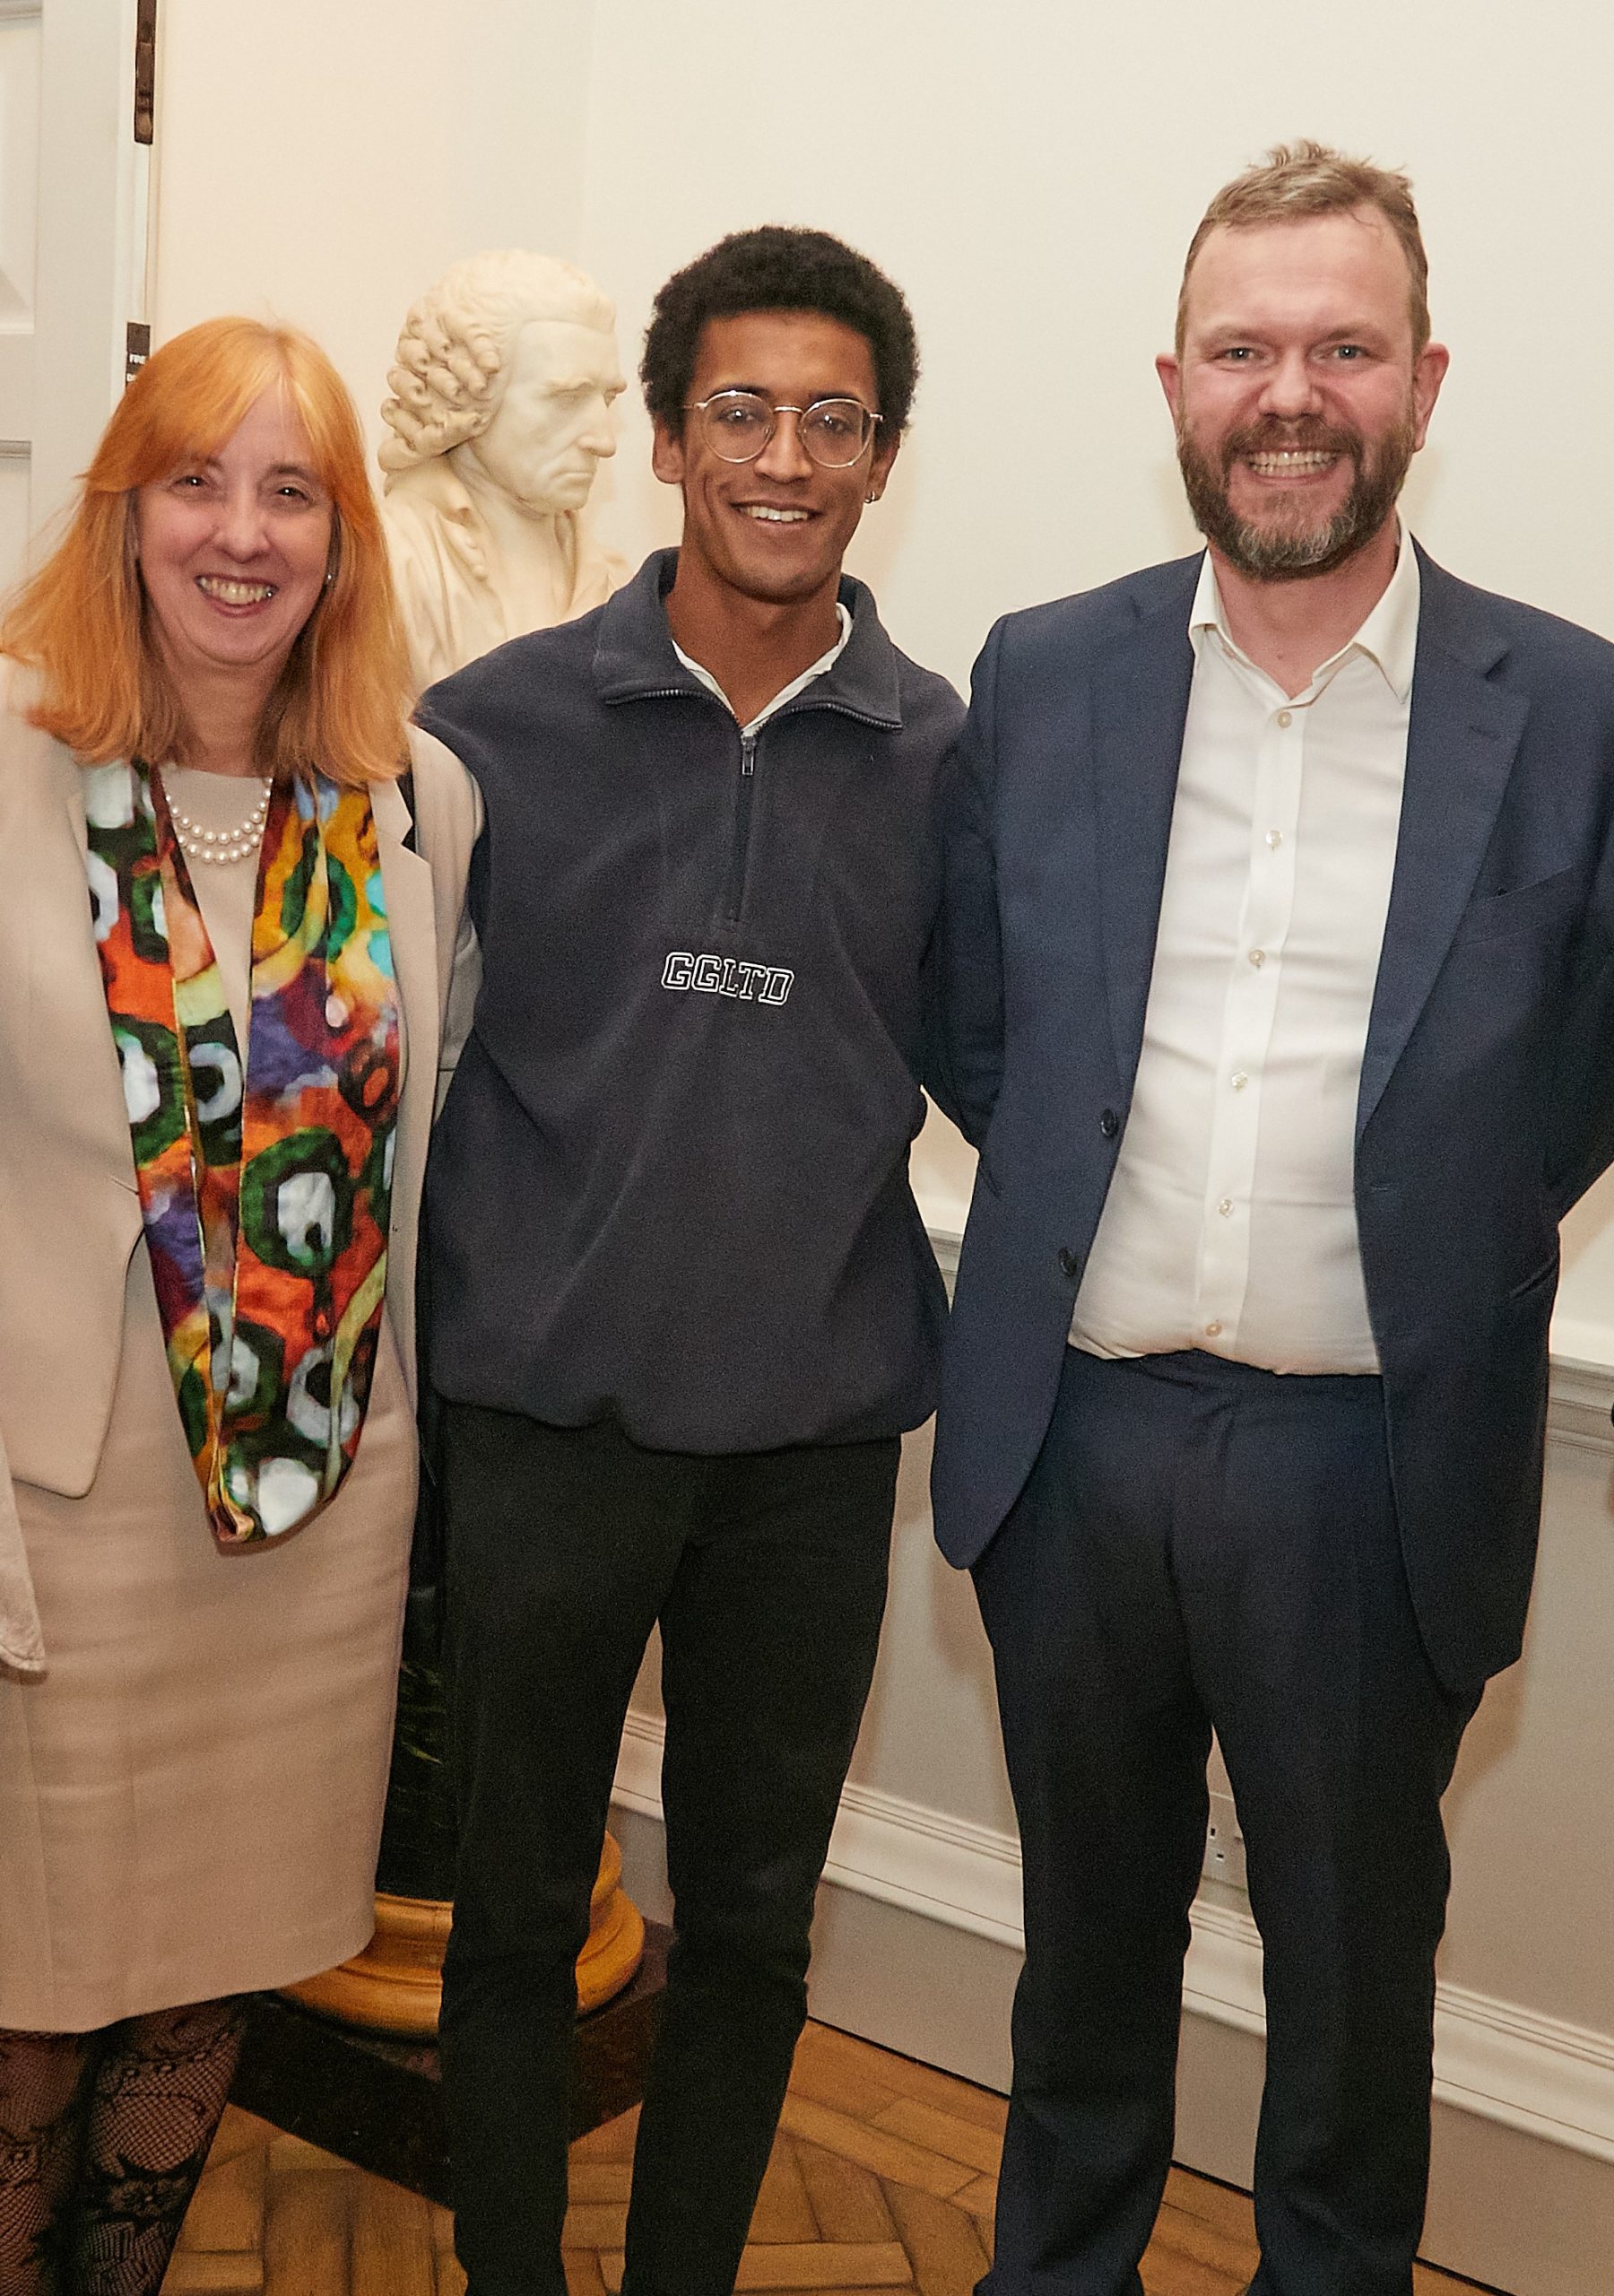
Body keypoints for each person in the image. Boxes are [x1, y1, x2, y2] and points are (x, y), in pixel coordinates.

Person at [931, 142, 1614, 2296]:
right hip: (1079, 1449)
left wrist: (1431, 1215)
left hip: (1370, 1462)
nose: (1289, 391)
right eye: (1243, 349)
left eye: (1340, 347)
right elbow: (977, 1017)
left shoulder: (1576, 710)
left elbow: (1577, 1070)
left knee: (1347, 2009)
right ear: (1173, 384)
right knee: (1081, 1983)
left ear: (1423, 378)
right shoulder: (1043, 670)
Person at [416, 224, 963, 2296]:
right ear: (664, 439)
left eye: (833, 418)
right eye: (740, 408)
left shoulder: (944, 761)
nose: (783, 454)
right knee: (508, 1911)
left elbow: (1005, 1059)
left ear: (883, 457)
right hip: (542, 1426)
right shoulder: (488, 729)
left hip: (809, 1454)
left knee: (750, 1918)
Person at [0, 316, 478, 2296]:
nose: (242, 530)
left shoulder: (416, 800)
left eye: (293, 490)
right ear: (123, 511)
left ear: (343, 541)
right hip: (60, 1504)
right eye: (197, 478)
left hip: (314, 1507)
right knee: (31, 1988)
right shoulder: (12, 762)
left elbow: (400, 1160)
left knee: (214, 1967)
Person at [379, 249, 627, 690]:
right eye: (567, 398)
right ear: (472, 398)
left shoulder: (621, 587)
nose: (604, 441)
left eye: (607, 400)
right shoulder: (387, 563)